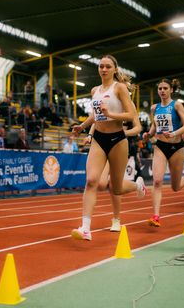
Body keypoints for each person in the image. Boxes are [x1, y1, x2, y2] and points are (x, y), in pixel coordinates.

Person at [71, 55, 137, 241]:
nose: (104, 69)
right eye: (101, 66)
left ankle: (137, 185)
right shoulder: (95, 90)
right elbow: (95, 115)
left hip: (117, 139)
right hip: (99, 139)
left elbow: (131, 114)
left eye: (108, 66)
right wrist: (82, 127)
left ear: (115, 69)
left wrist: (111, 114)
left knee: (116, 188)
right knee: (92, 181)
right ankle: (85, 228)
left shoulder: (120, 88)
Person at [143, 79, 184, 227]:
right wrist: (148, 135)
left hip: (176, 147)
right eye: (160, 88)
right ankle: (156, 216)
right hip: (160, 146)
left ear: (171, 90)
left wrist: (174, 133)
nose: (162, 91)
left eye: (165, 88)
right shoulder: (154, 108)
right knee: (157, 181)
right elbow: (154, 126)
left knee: (175, 187)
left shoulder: (176, 105)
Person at [86, 116, 146, 232]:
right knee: (102, 184)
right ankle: (138, 185)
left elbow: (138, 128)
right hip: (103, 143)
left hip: (120, 145)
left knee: (114, 186)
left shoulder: (126, 105)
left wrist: (124, 132)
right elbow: (96, 121)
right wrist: (90, 135)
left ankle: (116, 219)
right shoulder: (106, 101)